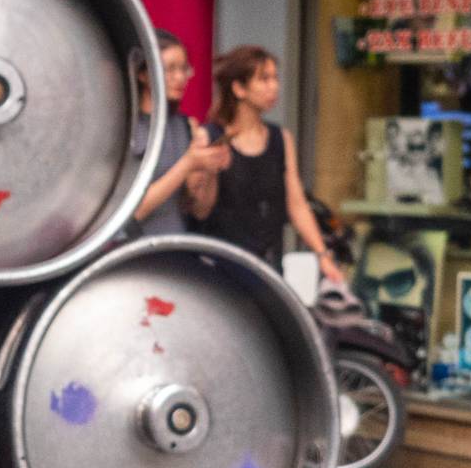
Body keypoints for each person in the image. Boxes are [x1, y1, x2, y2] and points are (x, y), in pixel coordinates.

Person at [190, 45, 345, 286]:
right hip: (219, 269)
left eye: (275, 78)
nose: (274, 86)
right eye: (264, 79)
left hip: (268, 267)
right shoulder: (208, 136)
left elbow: (297, 204)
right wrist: (210, 169)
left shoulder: (281, 138)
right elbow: (198, 209)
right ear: (239, 88)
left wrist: (322, 255)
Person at [130, 29, 229, 237]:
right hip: (134, 252)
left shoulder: (186, 126)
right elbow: (133, 211)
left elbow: (199, 210)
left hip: (176, 249)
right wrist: (187, 164)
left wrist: (209, 167)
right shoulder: (127, 128)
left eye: (184, 69)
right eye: (170, 69)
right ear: (143, 74)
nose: (180, 77)